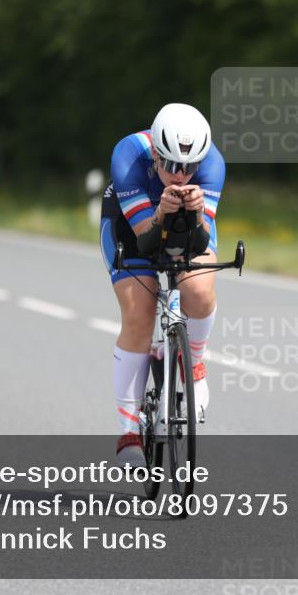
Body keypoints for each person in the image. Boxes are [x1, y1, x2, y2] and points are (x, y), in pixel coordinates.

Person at [99, 103, 224, 468]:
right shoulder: (129, 156)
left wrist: (196, 213)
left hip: (187, 225)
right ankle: (128, 431)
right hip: (132, 225)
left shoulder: (213, 164)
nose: (181, 176)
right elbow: (146, 242)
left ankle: (194, 363)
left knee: (198, 291)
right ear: (155, 153)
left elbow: (199, 243)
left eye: (190, 167)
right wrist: (159, 213)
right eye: (171, 164)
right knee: (139, 313)